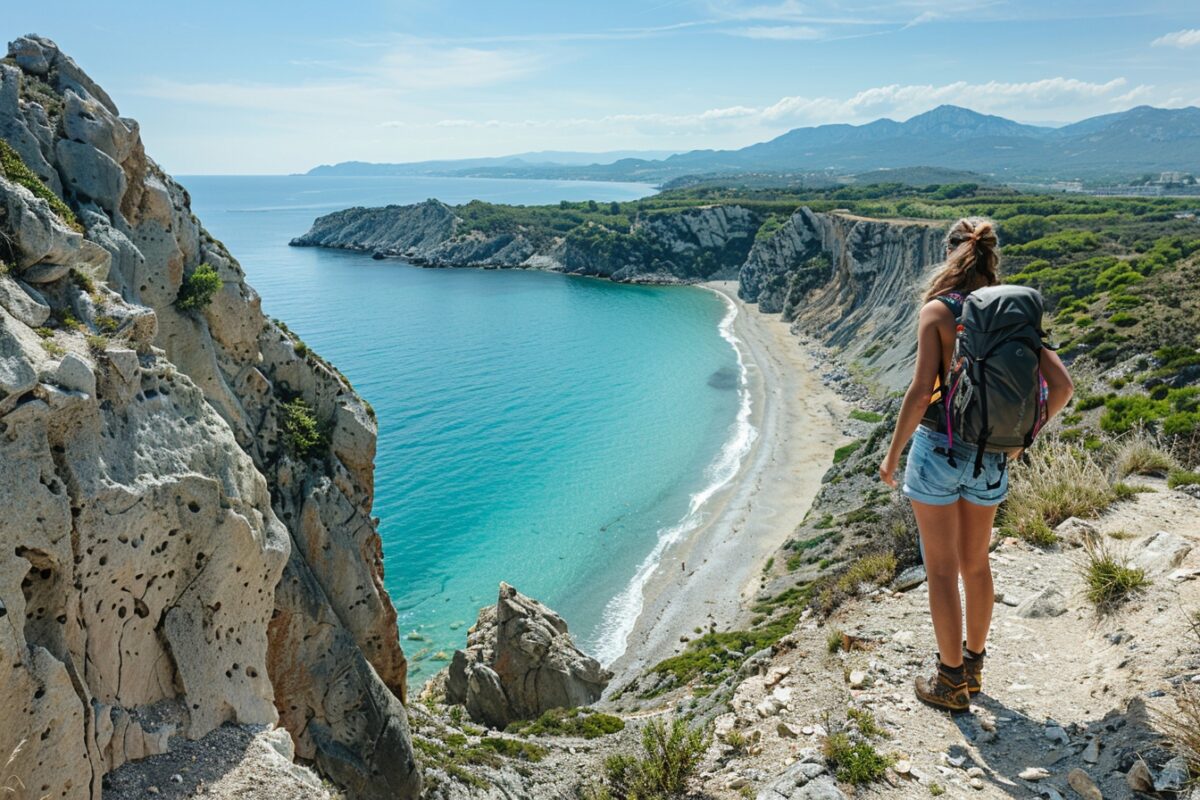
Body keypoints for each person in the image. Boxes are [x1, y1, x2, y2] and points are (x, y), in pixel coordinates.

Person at [878, 217, 1074, 712]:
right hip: (992, 456)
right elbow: (1065, 388)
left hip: (938, 451)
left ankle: (949, 683)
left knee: (941, 571)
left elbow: (923, 392)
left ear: (950, 254)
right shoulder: (1014, 315)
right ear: (992, 256)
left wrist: (892, 454)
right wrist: (1025, 438)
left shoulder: (938, 312)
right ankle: (974, 667)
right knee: (976, 564)